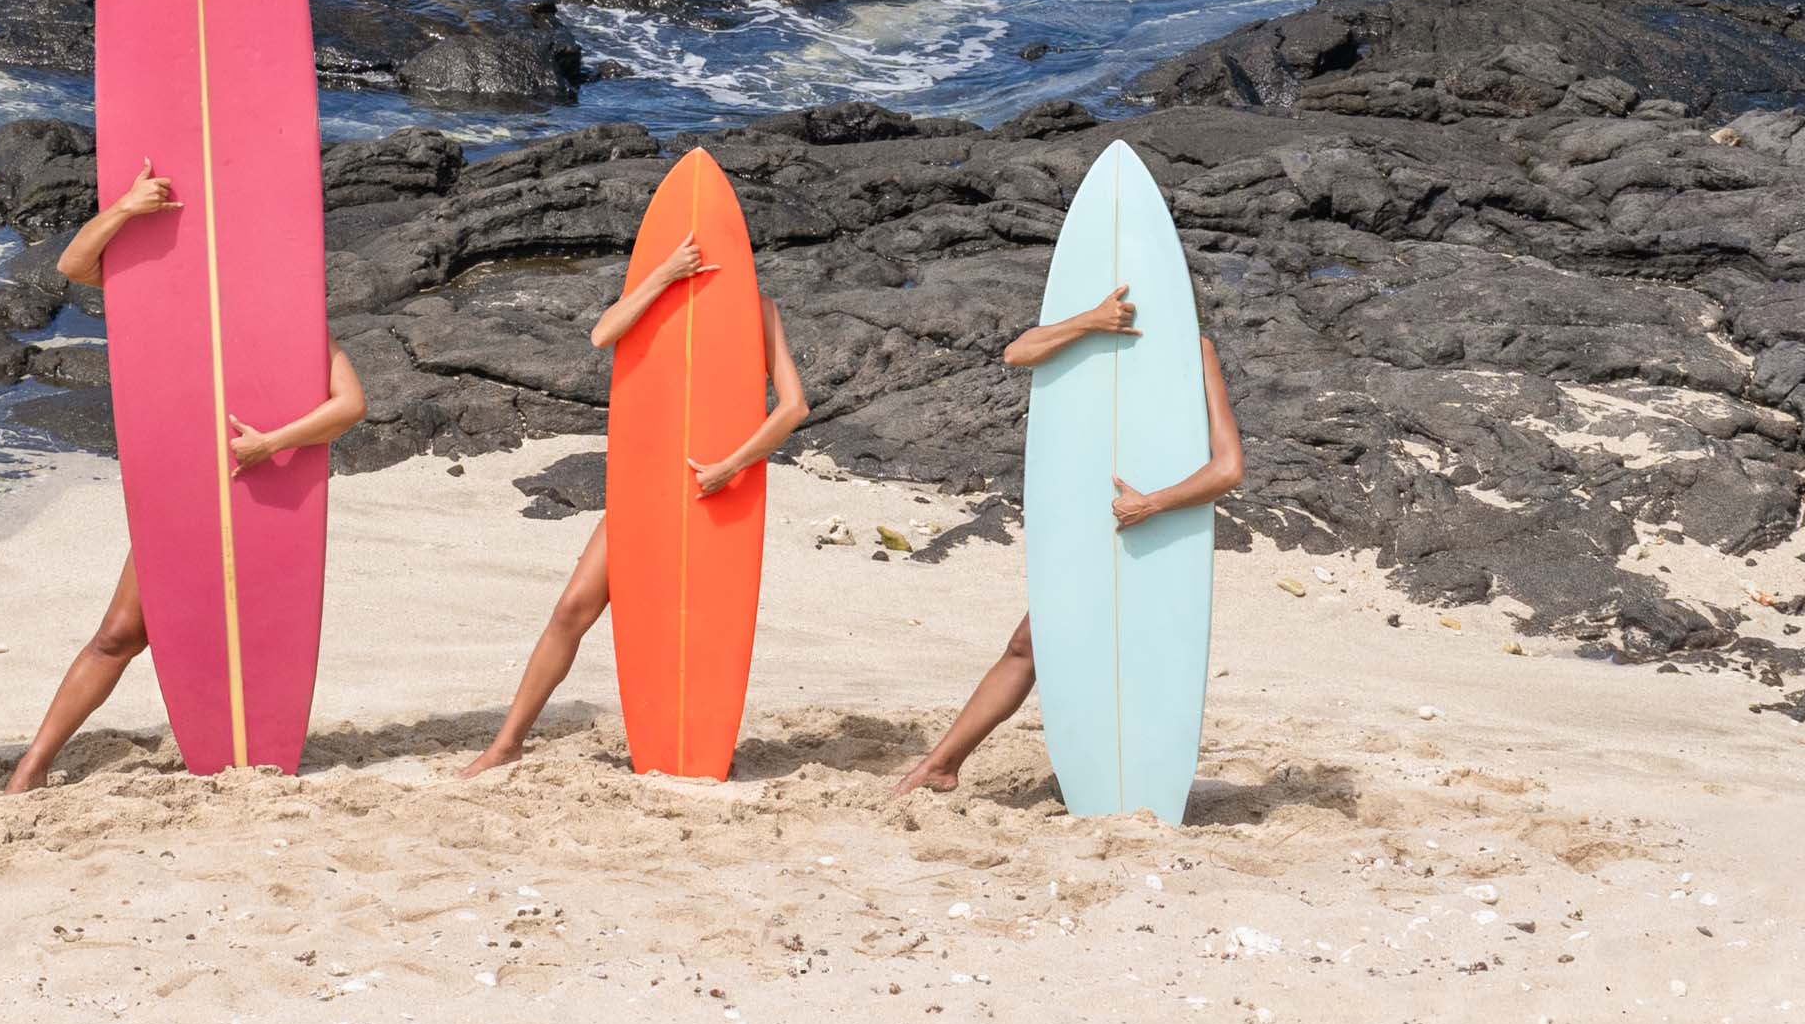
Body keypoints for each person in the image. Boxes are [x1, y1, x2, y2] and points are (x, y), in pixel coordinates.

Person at [3, 169, 372, 791]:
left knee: (247, 633)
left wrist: (270, 444)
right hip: (180, 496)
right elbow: (74, 265)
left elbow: (351, 405)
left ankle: (247, 755)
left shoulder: (293, 321)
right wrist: (124, 207)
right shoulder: (162, 299)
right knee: (120, 633)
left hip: (264, 494)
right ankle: (31, 767)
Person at [463, 220, 810, 774]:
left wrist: (733, 465)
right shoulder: (660, 293)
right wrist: (663, 275)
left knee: (696, 624)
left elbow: (794, 407)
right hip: (645, 487)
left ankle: (696, 751)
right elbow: (604, 335)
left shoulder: (760, 310)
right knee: (574, 607)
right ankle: (507, 743)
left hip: (715, 489)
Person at [891, 288, 1242, 794]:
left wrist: (1155, 503)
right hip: (1090, 526)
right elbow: (1018, 352)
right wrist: (1092, 319)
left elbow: (1229, 467)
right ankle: (942, 766)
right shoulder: (1092, 336)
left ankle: (1139, 785)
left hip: (1161, 532)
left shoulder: (1195, 350)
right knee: (1029, 645)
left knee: (1140, 655)